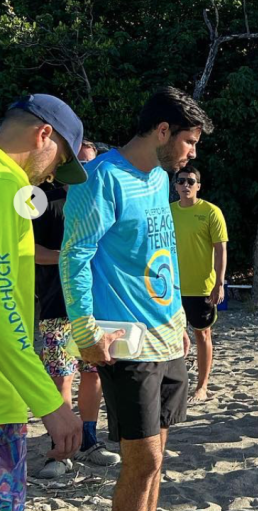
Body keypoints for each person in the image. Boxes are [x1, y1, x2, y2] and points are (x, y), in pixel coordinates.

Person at [61, 87, 212, 511]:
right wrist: (84, 329)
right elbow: (75, 255)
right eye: (190, 142)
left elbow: (160, 253)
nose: (192, 155)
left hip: (167, 333)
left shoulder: (161, 177)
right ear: (163, 131)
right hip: (126, 340)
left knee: (158, 459)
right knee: (142, 460)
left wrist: (179, 318)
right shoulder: (101, 177)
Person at [0, 94, 87, 510]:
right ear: (43, 136)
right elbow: (2, 306)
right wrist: (51, 402)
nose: (53, 174)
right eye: (60, 159)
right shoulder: (7, 183)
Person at [33, 140, 120, 479]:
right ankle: (59, 450)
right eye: (79, 164)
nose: (85, 171)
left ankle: (88, 441)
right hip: (57, 306)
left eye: (91, 164)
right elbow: (31, 249)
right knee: (61, 377)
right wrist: (71, 257)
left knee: (93, 373)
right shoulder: (46, 202)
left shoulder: (103, 203)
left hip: (98, 307)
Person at [170, 165, 228, 403]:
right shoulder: (167, 211)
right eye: (181, 181)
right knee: (171, 337)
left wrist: (220, 283)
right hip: (170, 288)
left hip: (202, 287)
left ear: (198, 186)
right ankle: (175, 385)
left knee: (202, 335)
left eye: (191, 181)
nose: (186, 185)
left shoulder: (211, 212)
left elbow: (220, 249)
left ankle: (202, 386)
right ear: (175, 185)